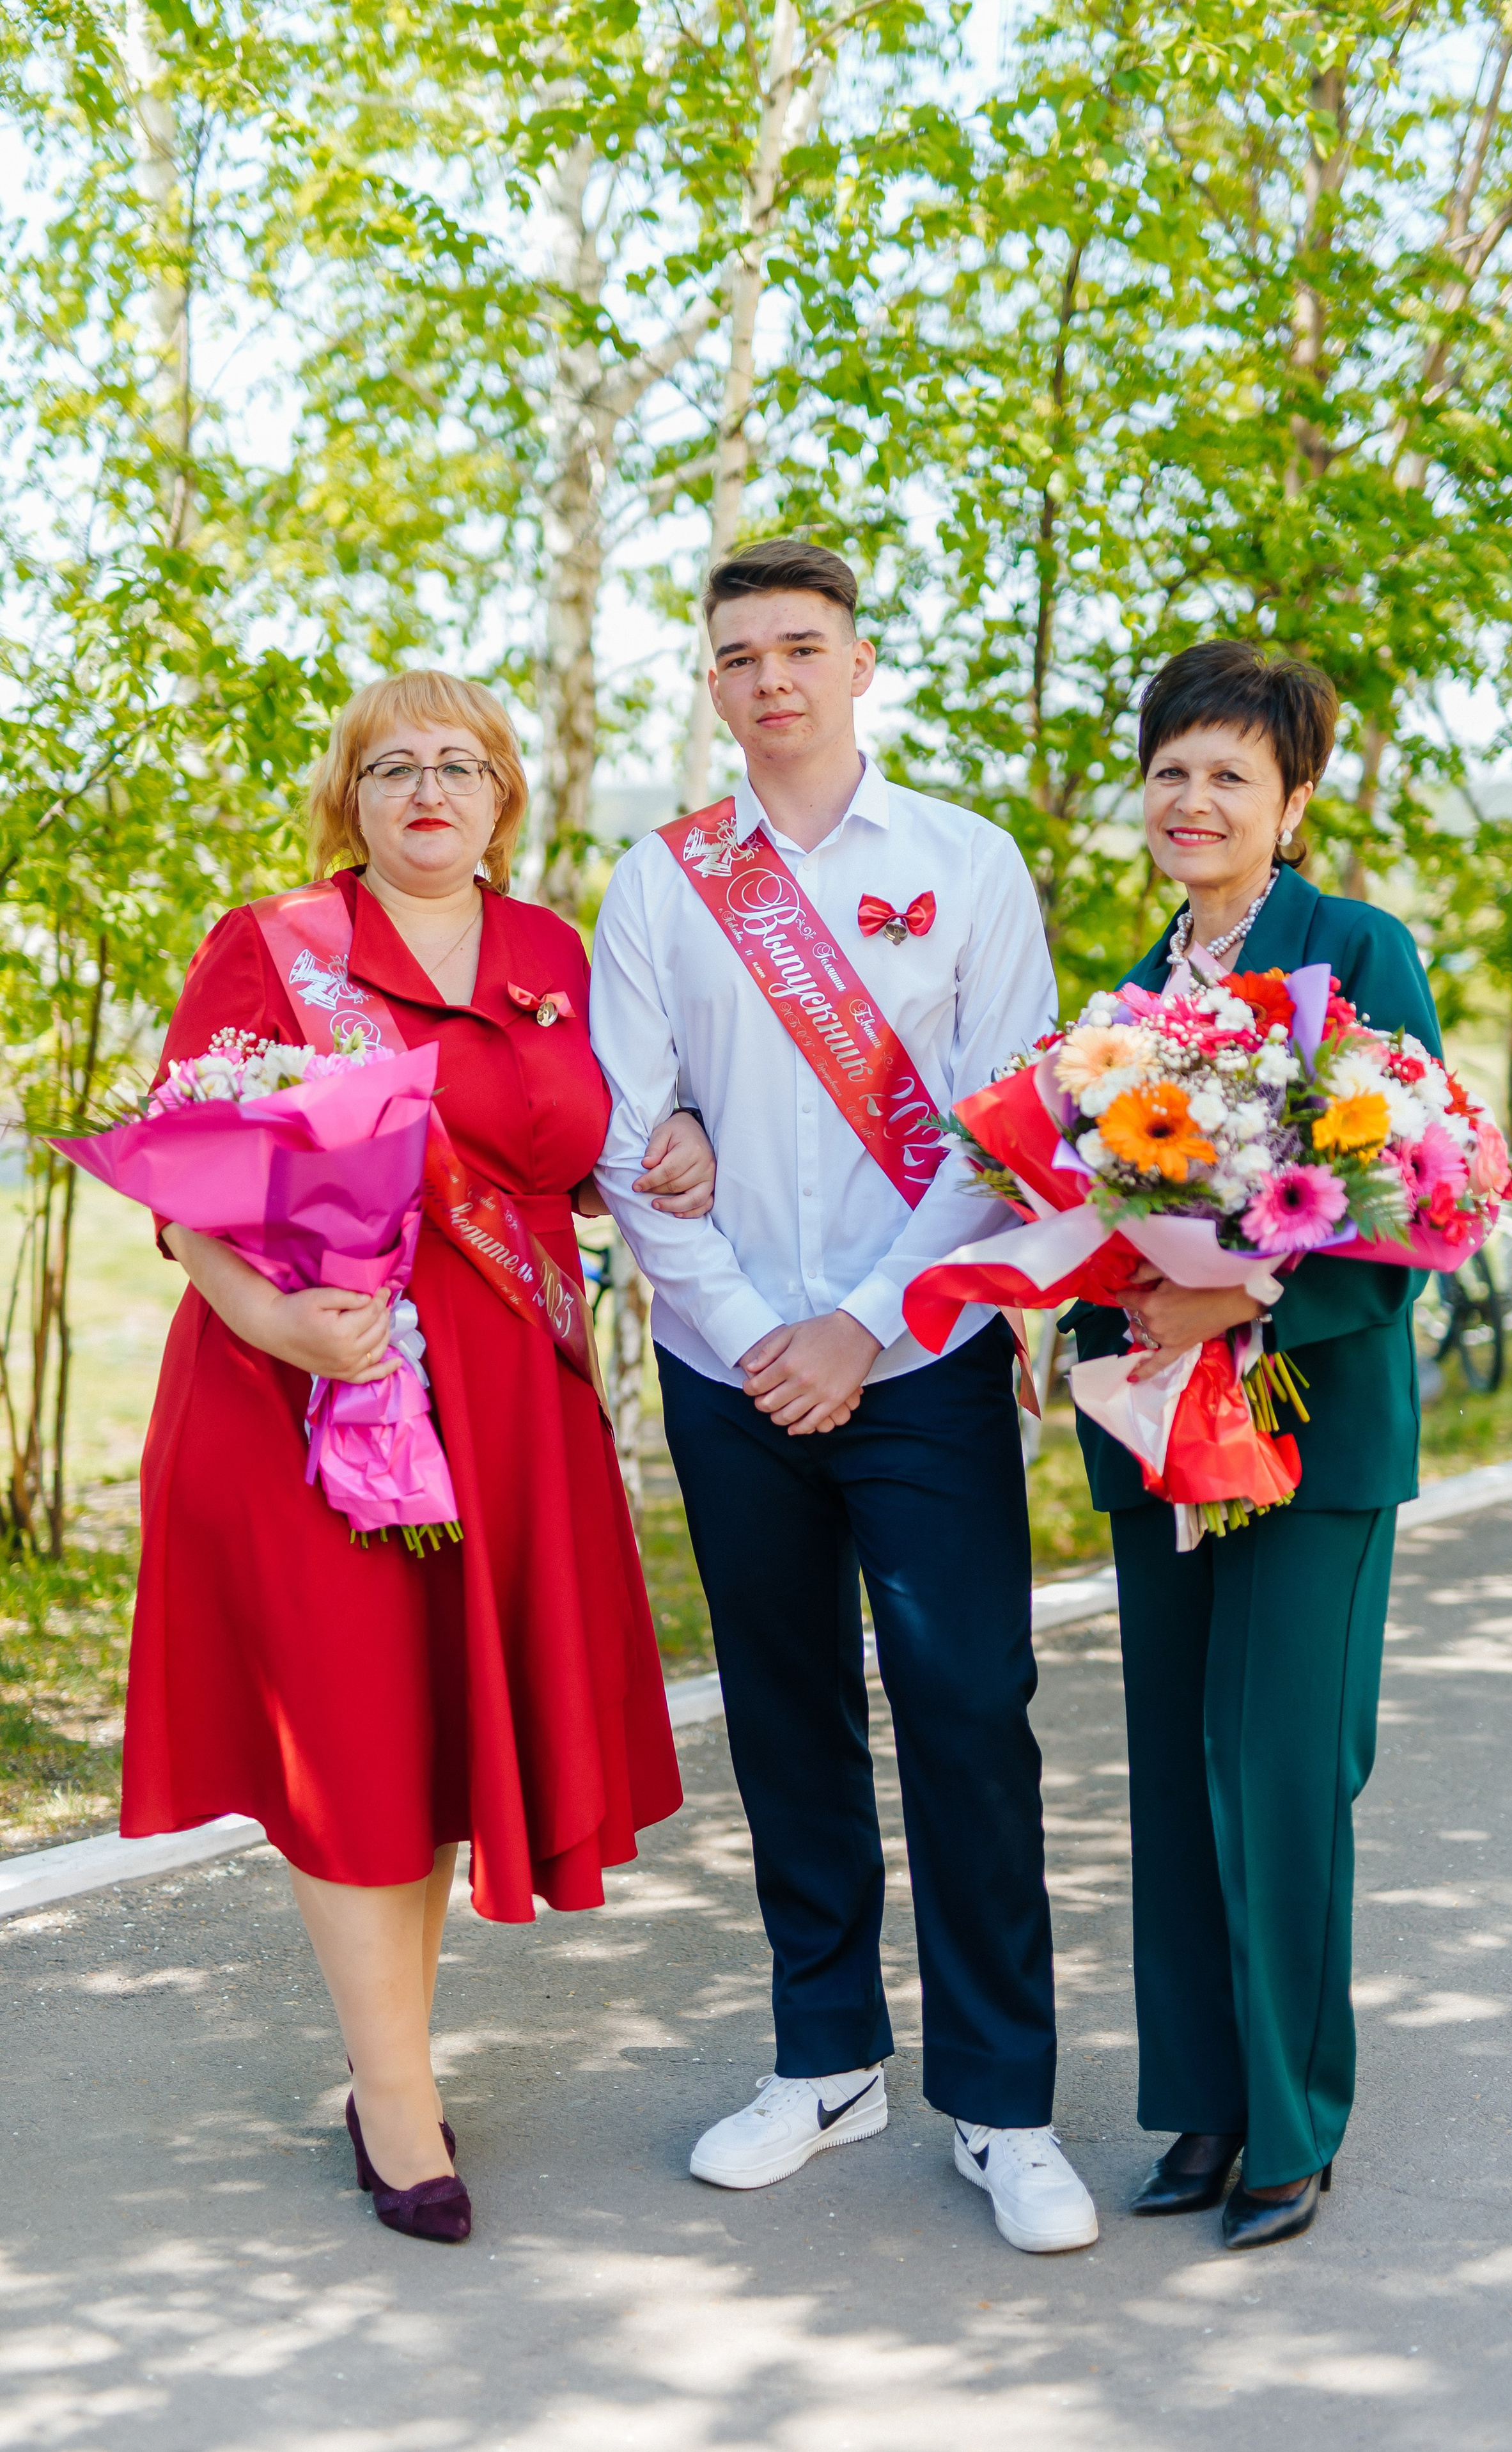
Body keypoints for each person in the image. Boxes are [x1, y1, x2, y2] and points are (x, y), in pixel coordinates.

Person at [125, 670, 708, 2243]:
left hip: (508, 1401)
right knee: (352, 1732)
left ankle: (393, 2064)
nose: (427, 790)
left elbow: (600, 1144)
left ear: (505, 796)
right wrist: (282, 1321)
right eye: (391, 768)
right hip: (308, 1395)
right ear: (350, 799)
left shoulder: (554, 954)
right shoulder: (273, 946)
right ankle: (393, 2099)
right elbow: (185, 1182)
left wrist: (676, 1142)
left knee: (433, 1731)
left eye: (459, 764)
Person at [589, 538, 1098, 2256]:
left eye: (801, 647)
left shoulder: (966, 860)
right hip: (730, 1366)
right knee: (784, 1710)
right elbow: (628, 1136)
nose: (772, 680)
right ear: (713, 684)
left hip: (923, 1359)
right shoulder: (662, 881)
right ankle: (826, 2058)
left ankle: (1003, 2102)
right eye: (740, 656)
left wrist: (862, 1328)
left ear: (860, 663)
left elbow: (1006, 1126)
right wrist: (759, 1335)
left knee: (967, 1708)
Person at [1066, 639, 1440, 2249]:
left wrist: (1246, 1302)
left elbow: (1421, 1195)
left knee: (1276, 1771)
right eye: (1170, 771)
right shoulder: (1125, 999)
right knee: (1172, 1772)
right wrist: (1092, 1305)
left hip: (1311, 1432)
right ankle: (1204, 2105)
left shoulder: (1354, 951)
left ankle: (1291, 2123)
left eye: (1229, 773)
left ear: (1291, 802)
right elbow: (1089, 1199)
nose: (1192, 800)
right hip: (1158, 1430)